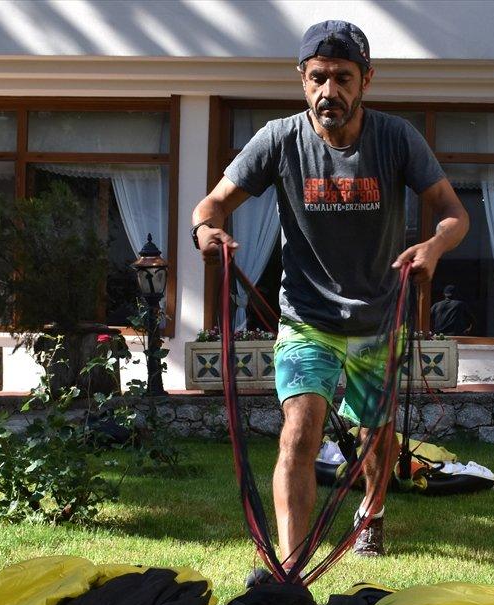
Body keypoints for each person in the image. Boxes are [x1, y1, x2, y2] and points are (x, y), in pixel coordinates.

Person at [191, 20, 468, 573]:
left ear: (366, 80)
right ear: (302, 80)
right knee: (299, 430)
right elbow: (211, 205)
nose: (329, 91)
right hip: (306, 320)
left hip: (377, 316)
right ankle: (291, 568)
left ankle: (372, 509)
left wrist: (433, 248)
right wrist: (207, 232)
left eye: (343, 78)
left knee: (376, 434)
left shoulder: (396, 138)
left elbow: (455, 214)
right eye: (318, 78)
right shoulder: (278, 139)